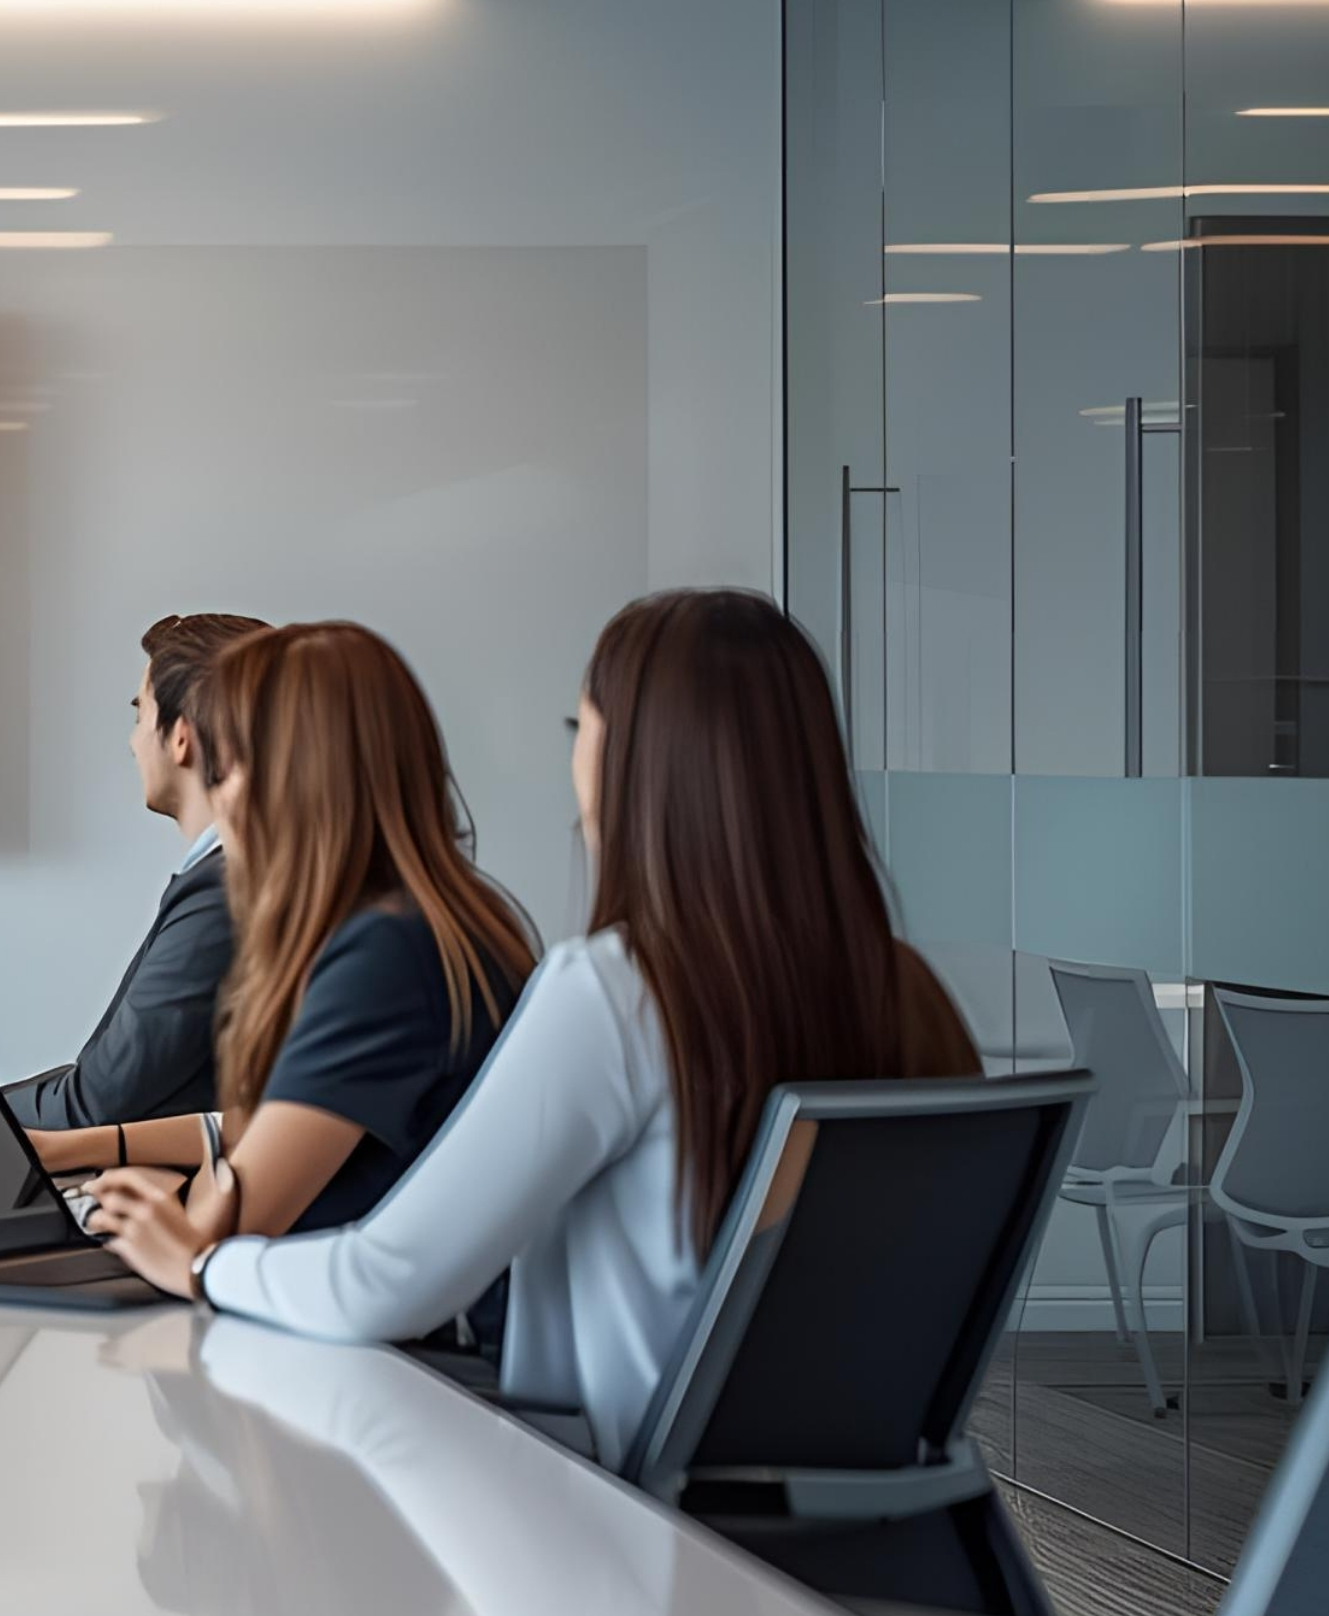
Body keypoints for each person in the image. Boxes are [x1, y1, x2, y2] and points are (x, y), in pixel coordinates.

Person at [87, 591, 981, 1469]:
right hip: (865, 1525)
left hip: (621, 1522)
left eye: (578, 730)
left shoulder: (617, 993)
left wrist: (199, 1266)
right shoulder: (910, 992)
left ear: (638, 766)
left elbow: (383, 1283)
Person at [28, 621, 536, 1251]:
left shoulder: (384, 955)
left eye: (237, 764)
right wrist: (88, 1148)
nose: (224, 791)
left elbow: (222, 1231)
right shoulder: (422, 922)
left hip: (355, 1327)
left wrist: (147, 1223)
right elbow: (278, 1122)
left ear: (301, 773)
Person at [4, 611, 268, 1130]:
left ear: (180, 738)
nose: (132, 742)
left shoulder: (226, 890)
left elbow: (97, 1103)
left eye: (138, 714)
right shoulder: (235, 875)